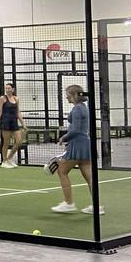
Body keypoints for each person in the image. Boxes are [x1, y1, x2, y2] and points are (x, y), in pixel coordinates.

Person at [51, 85, 100, 215]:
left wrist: (64, 138)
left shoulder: (78, 109)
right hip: (85, 144)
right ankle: (97, 206)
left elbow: (76, 130)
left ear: (73, 95)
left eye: (68, 94)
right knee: (89, 176)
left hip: (78, 144)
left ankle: (68, 204)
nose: (66, 97)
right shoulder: (83, 107)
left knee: (62, 171)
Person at [0, 83, 26, 168]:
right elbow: (0, 111)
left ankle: (9, 158)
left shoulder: (16, 99)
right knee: (6, 143)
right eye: (6, 88)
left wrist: (23, 124)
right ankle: (4, 162)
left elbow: (18, 112)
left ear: (13, 89)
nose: (7, 90)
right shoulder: (2, 98)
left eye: (9, 88)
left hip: (14, 123)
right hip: (5, 123)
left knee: (19, 141)